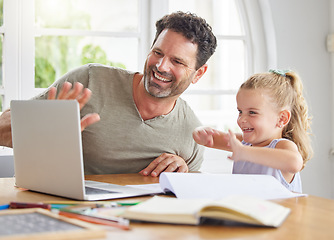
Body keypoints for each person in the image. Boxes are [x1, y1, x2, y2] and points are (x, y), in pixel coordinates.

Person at [0, 11, 217, 177]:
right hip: (66, 210)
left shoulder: (192, 136)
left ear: (198, 74)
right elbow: (3, 129)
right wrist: (42, 123)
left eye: (177, 61)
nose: (161, 66)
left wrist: (182, 176)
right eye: (157, 53)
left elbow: (187, 205)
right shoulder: (88, 81)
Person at [193, 69, 313, 192]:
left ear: (282, 119)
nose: (241, 120)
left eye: (252, 112)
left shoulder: (281, 146)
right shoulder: (244, 144)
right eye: (240, 112)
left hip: (281, 211)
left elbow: (294, 163)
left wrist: (244, 152)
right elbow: (212, 139)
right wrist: (201, 132)